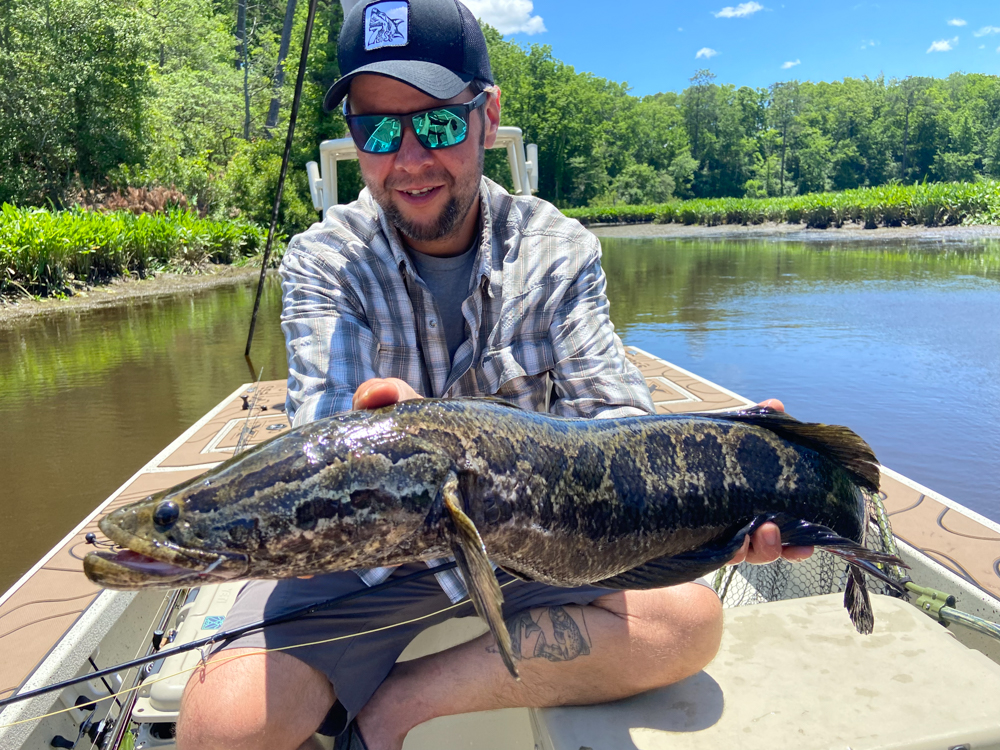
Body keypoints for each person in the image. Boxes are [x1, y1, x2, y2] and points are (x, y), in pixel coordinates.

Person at [176, 2, 810, 748]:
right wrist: (405, 446)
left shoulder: (558, 251)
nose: (409, 159)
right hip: (372, 559)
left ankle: (392, 708)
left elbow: (613, 419)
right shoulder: (324, 259)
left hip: (531, 544)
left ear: (487, 115)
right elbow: (322, 437)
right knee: (220, 731)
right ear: (354, 137)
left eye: (438, 123)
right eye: (378, 130)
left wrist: (699, 504)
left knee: (688, 625)